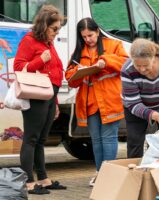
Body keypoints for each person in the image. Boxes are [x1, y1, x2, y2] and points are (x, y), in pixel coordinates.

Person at [65, 17, 128, 186]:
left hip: (109, 100)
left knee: (108, 138)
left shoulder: (113, 45)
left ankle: (109, 175)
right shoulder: (80, 51)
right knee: (96, 139)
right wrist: (79, 72)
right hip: (89, 103)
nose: (88, 40)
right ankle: (100, 173)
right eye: (84, 37)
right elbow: (70, 78)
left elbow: (126, 63)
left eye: (90, 35)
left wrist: (105, 61)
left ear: (98, 31)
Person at [13, 5, 66, 195]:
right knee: (31, 138)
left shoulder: (48, 43)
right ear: (44, 26)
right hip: (36, 95)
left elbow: (54, 74)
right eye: (54, 29)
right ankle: (27, 181)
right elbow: (18, 67)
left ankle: (43, 179)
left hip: (49, 95)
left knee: (42, 139)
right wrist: (40, 61)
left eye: (58, 29)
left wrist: (56, 102)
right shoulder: (30, 40)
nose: (56, 33)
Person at [121, 38, 159, 158]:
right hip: (136, 108)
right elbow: (133, 103)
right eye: (137, 65)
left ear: (154, 58)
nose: (142, 69)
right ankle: (136, 174)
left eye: (145, 65)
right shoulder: (127, 70)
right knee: (136, 145)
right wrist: (154, 115)